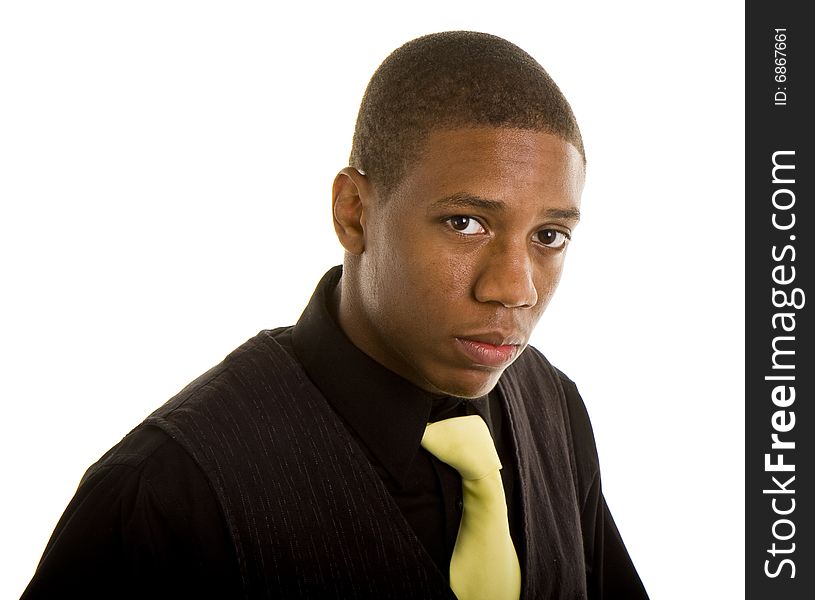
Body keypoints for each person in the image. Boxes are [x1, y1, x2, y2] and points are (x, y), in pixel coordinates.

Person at [22, 31, 649, 599]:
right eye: (466, 223)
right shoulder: (166, 496)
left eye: (549, 237)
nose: (513, 289)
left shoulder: (552, 409)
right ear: (353, 212)